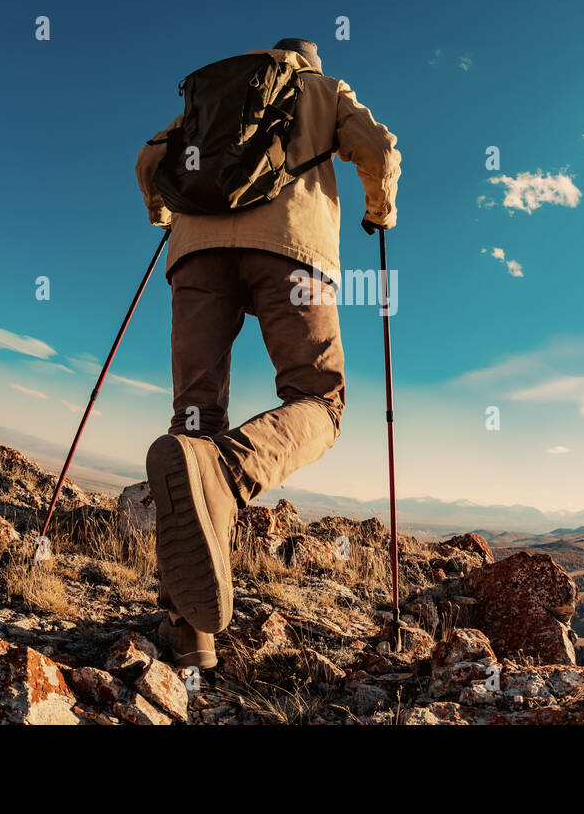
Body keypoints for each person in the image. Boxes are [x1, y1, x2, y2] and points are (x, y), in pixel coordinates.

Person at [134, 38, 400, 668]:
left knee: (194, 418)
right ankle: (226, 473)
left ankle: (190, 632)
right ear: (308, 58)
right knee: (318, 398)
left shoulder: (214, 94)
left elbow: (151, 159)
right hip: (292, 249)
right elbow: (381, 150)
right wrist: (379, 210)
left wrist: (163, 214)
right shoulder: (322, 89)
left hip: (195, 251)